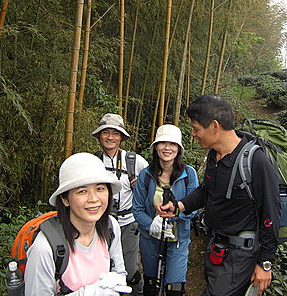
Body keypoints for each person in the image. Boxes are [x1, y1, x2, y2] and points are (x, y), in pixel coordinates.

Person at [158, 95, 280, 296]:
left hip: (240, 255)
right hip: (216, 246)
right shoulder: (214, 155)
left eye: (196, 128)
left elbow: (271, 213)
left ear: (214, 126)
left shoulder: (256, 160)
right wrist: (179, 205)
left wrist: (265, 263)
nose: (193, 134)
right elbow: (207, 191)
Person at [25, 152, 129, 296]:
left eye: (100, 188)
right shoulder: (45, 248)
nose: (93, 199)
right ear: (65, 199)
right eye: (82, 191)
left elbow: (120, 272)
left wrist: (117, 282)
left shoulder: (110, 227)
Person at [132, 124, 199, 296]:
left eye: (172, 144)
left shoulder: (189, 174)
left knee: (175, 290)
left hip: (178, 240)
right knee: (151, 287)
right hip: (150, 240)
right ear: (155, 146)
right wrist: (153, 223)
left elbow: (193, 207)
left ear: (178, 148)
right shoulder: (146, 176)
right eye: (163, 143)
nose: (167, 148)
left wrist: (174, 216)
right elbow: (137, 209)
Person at [92, 113, 148, 295]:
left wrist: (141, 184)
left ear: (121, 137)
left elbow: (154, 184)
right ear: (99, 136)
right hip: (99, 223)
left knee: (129, 270)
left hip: (128, 223)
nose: (110, 137)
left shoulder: (134, 161)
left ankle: (139, 292)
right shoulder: (92, 162)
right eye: (105, 132)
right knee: (102, 269)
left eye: (115, 133)